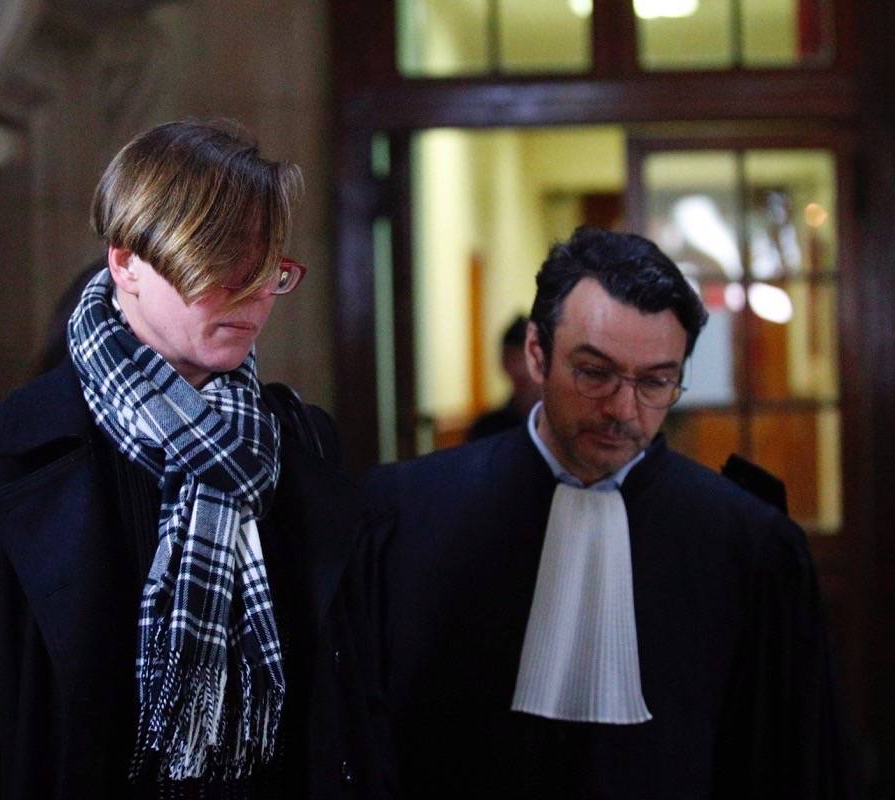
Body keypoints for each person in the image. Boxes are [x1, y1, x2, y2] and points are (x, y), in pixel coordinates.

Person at [0, 121, 393, 799]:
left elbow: (349, 705)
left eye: (267, 265)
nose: (253, 292)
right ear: (125, 263)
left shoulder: (300, 440)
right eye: (218, 262)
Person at [366, 227, 854, 798]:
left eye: (656, 382)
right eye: (594, 373)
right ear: (535, 353)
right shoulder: (405, 513)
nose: (624, 409)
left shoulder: (750, 544)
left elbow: (789, 762)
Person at [465, 314, 540, 441]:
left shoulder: (557, 423)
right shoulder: (488, 427)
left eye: (521, 358)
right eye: (510, 359)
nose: (518, 367)